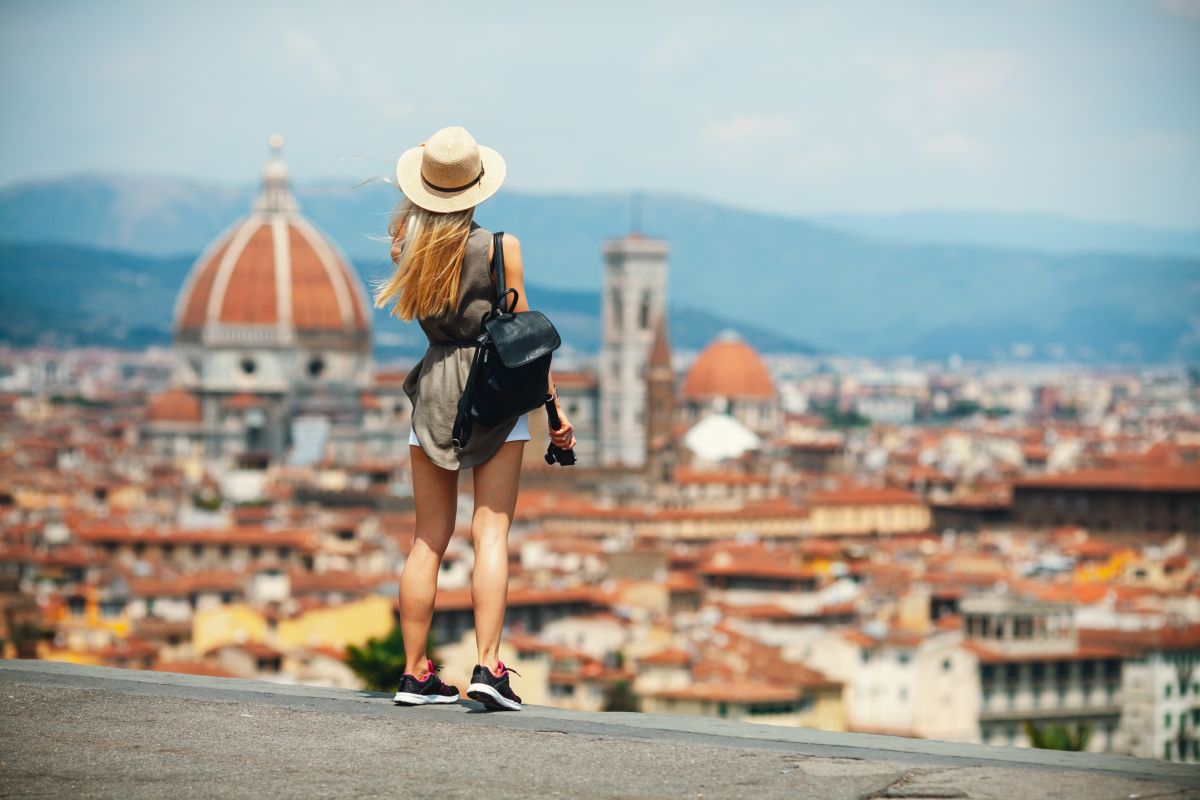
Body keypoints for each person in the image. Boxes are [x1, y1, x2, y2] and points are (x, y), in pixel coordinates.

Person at [375, 126, 576, 711]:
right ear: (477, 186)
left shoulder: (404, 245)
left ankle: (415, 674)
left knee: (426, 540)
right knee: (491, 531)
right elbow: (524, 339)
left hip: (433, 385)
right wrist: (553, 415)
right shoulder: (500, 247)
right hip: (493, 388)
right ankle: (488, 667)